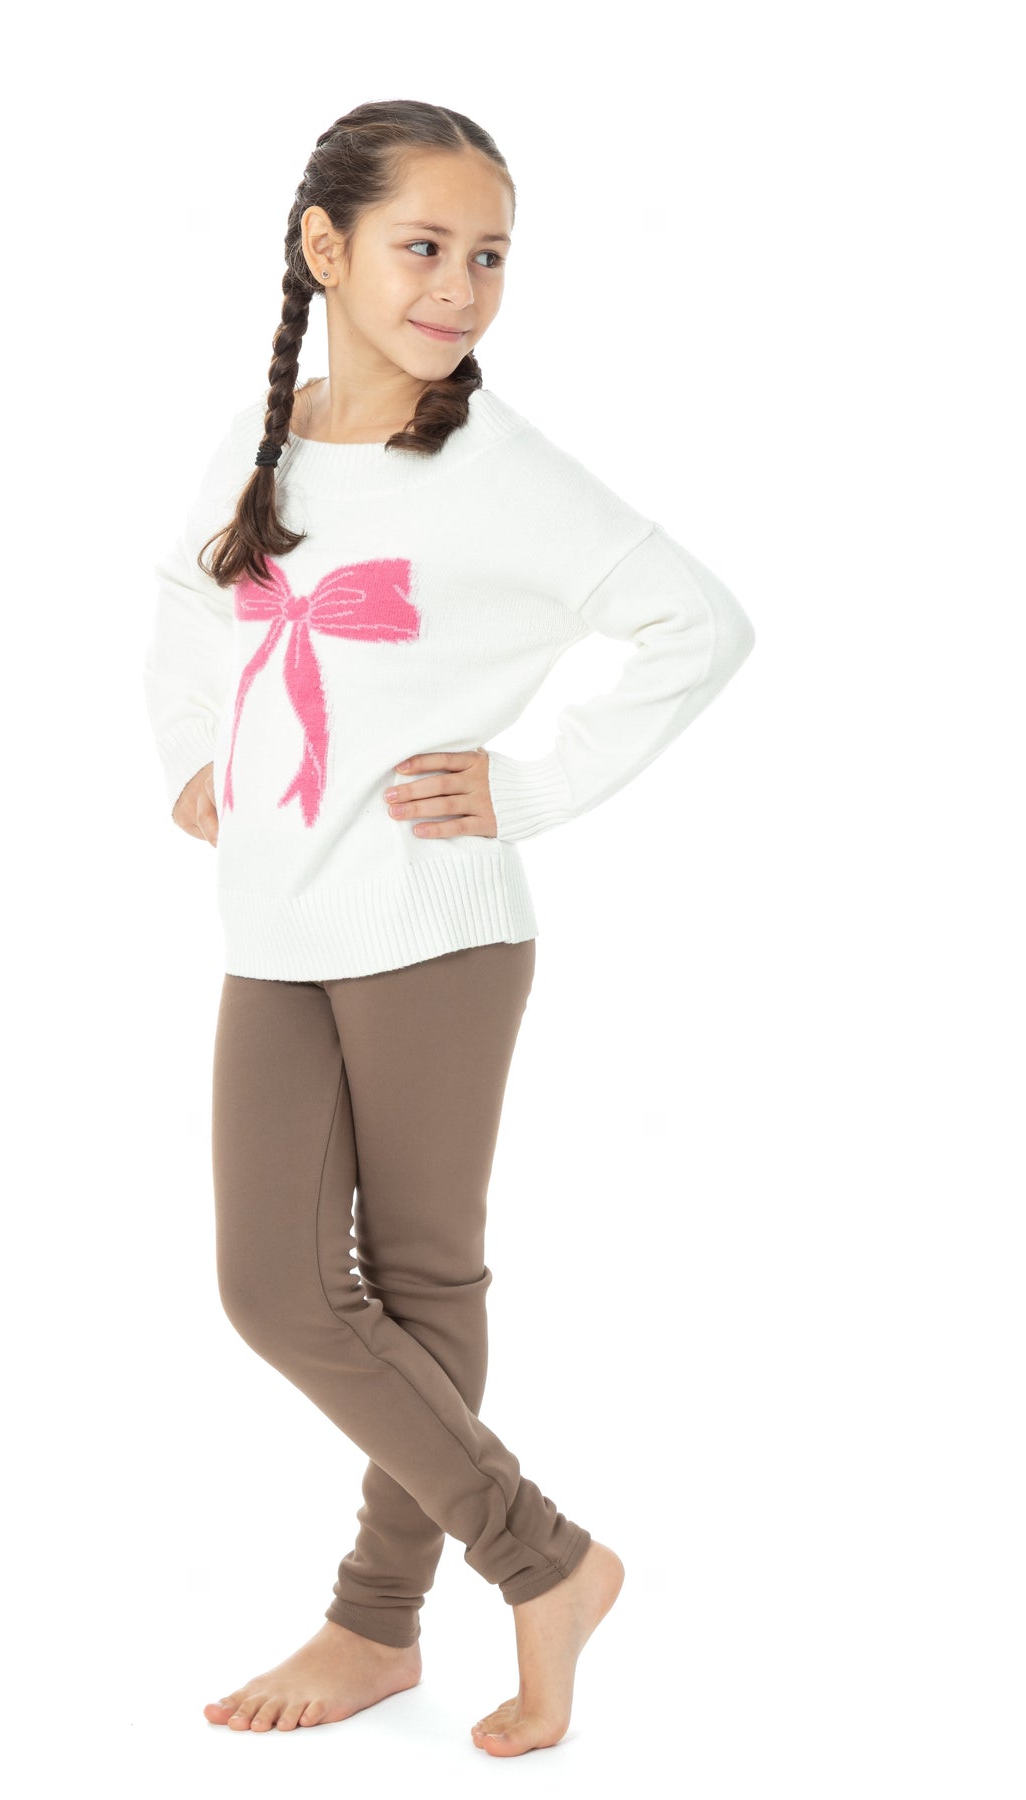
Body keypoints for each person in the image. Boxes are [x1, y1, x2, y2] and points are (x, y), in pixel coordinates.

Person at [142, 98, 756, 1758]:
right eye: (424, 246)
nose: (459, 287)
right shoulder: (261, 443)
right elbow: (191, 597)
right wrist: (193, 751)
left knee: (418, 1279)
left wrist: (530, 787)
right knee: (275, 1287)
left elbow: (697, 624)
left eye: (489, 257)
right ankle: (548, 1560)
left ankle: (382, 1618)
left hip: (437, 929)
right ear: (324, 247)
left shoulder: (500, 473)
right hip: (275, 919)